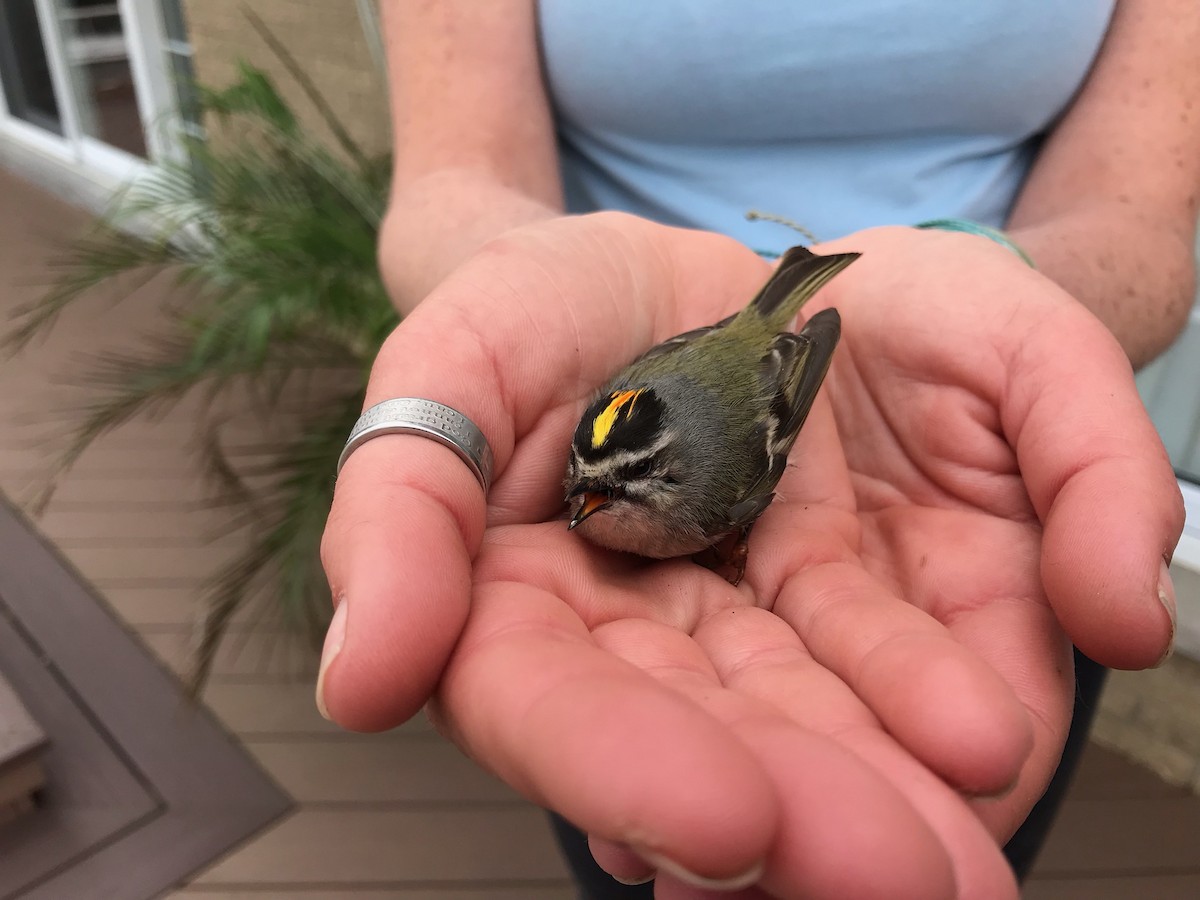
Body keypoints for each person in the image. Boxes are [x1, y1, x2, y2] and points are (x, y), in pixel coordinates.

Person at [319, 2, 1200, 897]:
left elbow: (1142, 220)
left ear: (678, 486)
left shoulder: (715, 491)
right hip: (680, 358)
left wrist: (994, 275)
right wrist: (510, 277)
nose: (583, 506)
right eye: (584, 485)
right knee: (653, 821)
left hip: (958, 475)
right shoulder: (611, 444)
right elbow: (451, 178)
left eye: (619, 489)